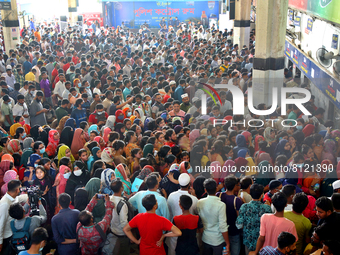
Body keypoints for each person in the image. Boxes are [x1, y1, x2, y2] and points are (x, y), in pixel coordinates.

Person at [166, 173, 198, 255]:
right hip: (190, 233)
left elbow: (169, 212)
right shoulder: (194, 199)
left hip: (174, 231)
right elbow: (197, 213)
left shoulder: (171, 196)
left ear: (179, 183)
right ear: (189, 184)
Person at [236, 183, 272, 254]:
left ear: (250, 193)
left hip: (248, 241)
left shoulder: (244, 207)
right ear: (262, 195)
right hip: (263, 242)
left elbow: (238, 225)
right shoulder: (267, 208)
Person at [197, 178, 230, 255]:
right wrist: (227, 243)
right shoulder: (221, 205)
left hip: (205, 239)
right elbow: (222, 226)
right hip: (218, 240)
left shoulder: (200, 203)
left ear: (205, 190)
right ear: (216, 189)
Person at [217, 175, 243, 255]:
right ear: (235, 186)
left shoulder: (219, 195)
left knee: (224, 251)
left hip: (221, 231)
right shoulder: (237, 200)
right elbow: (239, 217)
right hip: (233, 231)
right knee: (235, 251)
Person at [105, 178, 130, 255]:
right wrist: (130, 236)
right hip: (122, 234)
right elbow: (124, 223)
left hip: (112, 232)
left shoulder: (108, 199)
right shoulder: (122, 204)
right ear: (121, 189)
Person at [0, 180, 22, 254]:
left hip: (12, 234)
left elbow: (19, 198)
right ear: (17, 190)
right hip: (6, 237)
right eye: (20, 188)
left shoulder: (13, 197)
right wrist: (0, 242)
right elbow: (1, 224)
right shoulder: (5, 204)